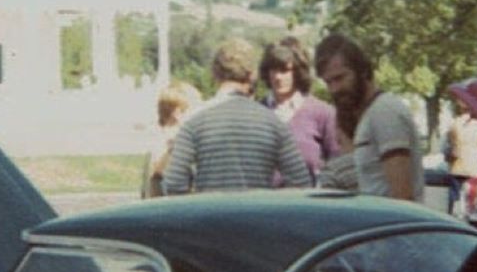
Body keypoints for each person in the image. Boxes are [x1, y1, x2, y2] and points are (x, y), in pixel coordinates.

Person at [162, 41, 311, 193]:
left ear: (215, 73)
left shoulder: (194, 120)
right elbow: (301, 182)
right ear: (253, 75)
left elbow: (174, 182)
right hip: (257, 214)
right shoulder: (273, 123)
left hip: (210, 213)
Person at [313, 33, 424, 201]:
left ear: (362, 71)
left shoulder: (385, 112)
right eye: (329, 82)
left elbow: (403, 196)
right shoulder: (371, 115)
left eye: (340, 78)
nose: (334, 89)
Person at [258, 37, 338, 182]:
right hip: (263, 202)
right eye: (273, 69)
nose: (278, 77)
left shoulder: (323, 114)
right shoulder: (256, 112)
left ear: (298, 72)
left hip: (308, 202)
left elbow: (337, 166)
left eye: (285, 70)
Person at [142, 80, 200, 198]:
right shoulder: (168, 139)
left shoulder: (163, 136)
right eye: (196, 108)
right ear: (178, 113)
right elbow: (158, 172)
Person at [442, 94, 477, 213]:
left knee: (455, 195)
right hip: (473, 167)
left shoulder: (453, 124)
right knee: (472, 197)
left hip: (457, 166)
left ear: (460, 108)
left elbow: (447, 144)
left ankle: (453, 216)